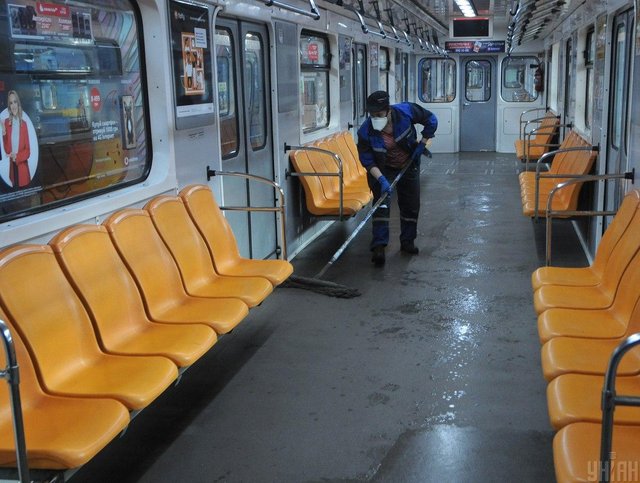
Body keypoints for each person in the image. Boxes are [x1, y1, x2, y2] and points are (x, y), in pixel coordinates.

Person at [357, 90, 437, 266]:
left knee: (410, 204)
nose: (375, 118)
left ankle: (407, 242)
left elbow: (431, 120)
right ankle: (379, 246)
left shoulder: (405, 111)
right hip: (382, 170)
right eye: (372, 115)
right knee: (381, 206)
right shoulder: (365, 131)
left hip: (409, 164)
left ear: (388, 110)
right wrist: (381, 180)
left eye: (379, 114)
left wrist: (422, 143)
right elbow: (368, 161)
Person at [2, 90, 31, 188]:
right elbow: (7, 150)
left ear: (18, 104)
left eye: (15, 102)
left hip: (23, 171)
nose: (13, 105)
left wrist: (17, 156)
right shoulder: (6, 123)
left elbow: (28, 151)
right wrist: (4, 133)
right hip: (12, 171)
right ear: (9, 106)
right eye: (11, 103)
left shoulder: (24, 124)